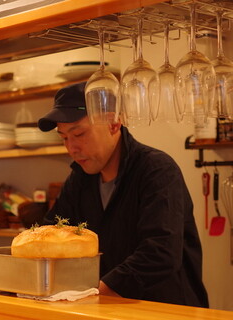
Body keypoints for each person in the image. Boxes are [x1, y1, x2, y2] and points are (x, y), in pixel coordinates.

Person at [38, 81, 209, 307]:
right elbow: (51, 233)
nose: (72, 148)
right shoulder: (79, 180)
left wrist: (93, 293)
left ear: (113, 123)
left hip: (165, 309)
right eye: (64, 138)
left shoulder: (157, 170)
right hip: (106, 310)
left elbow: (160, 253)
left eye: (79, 134)